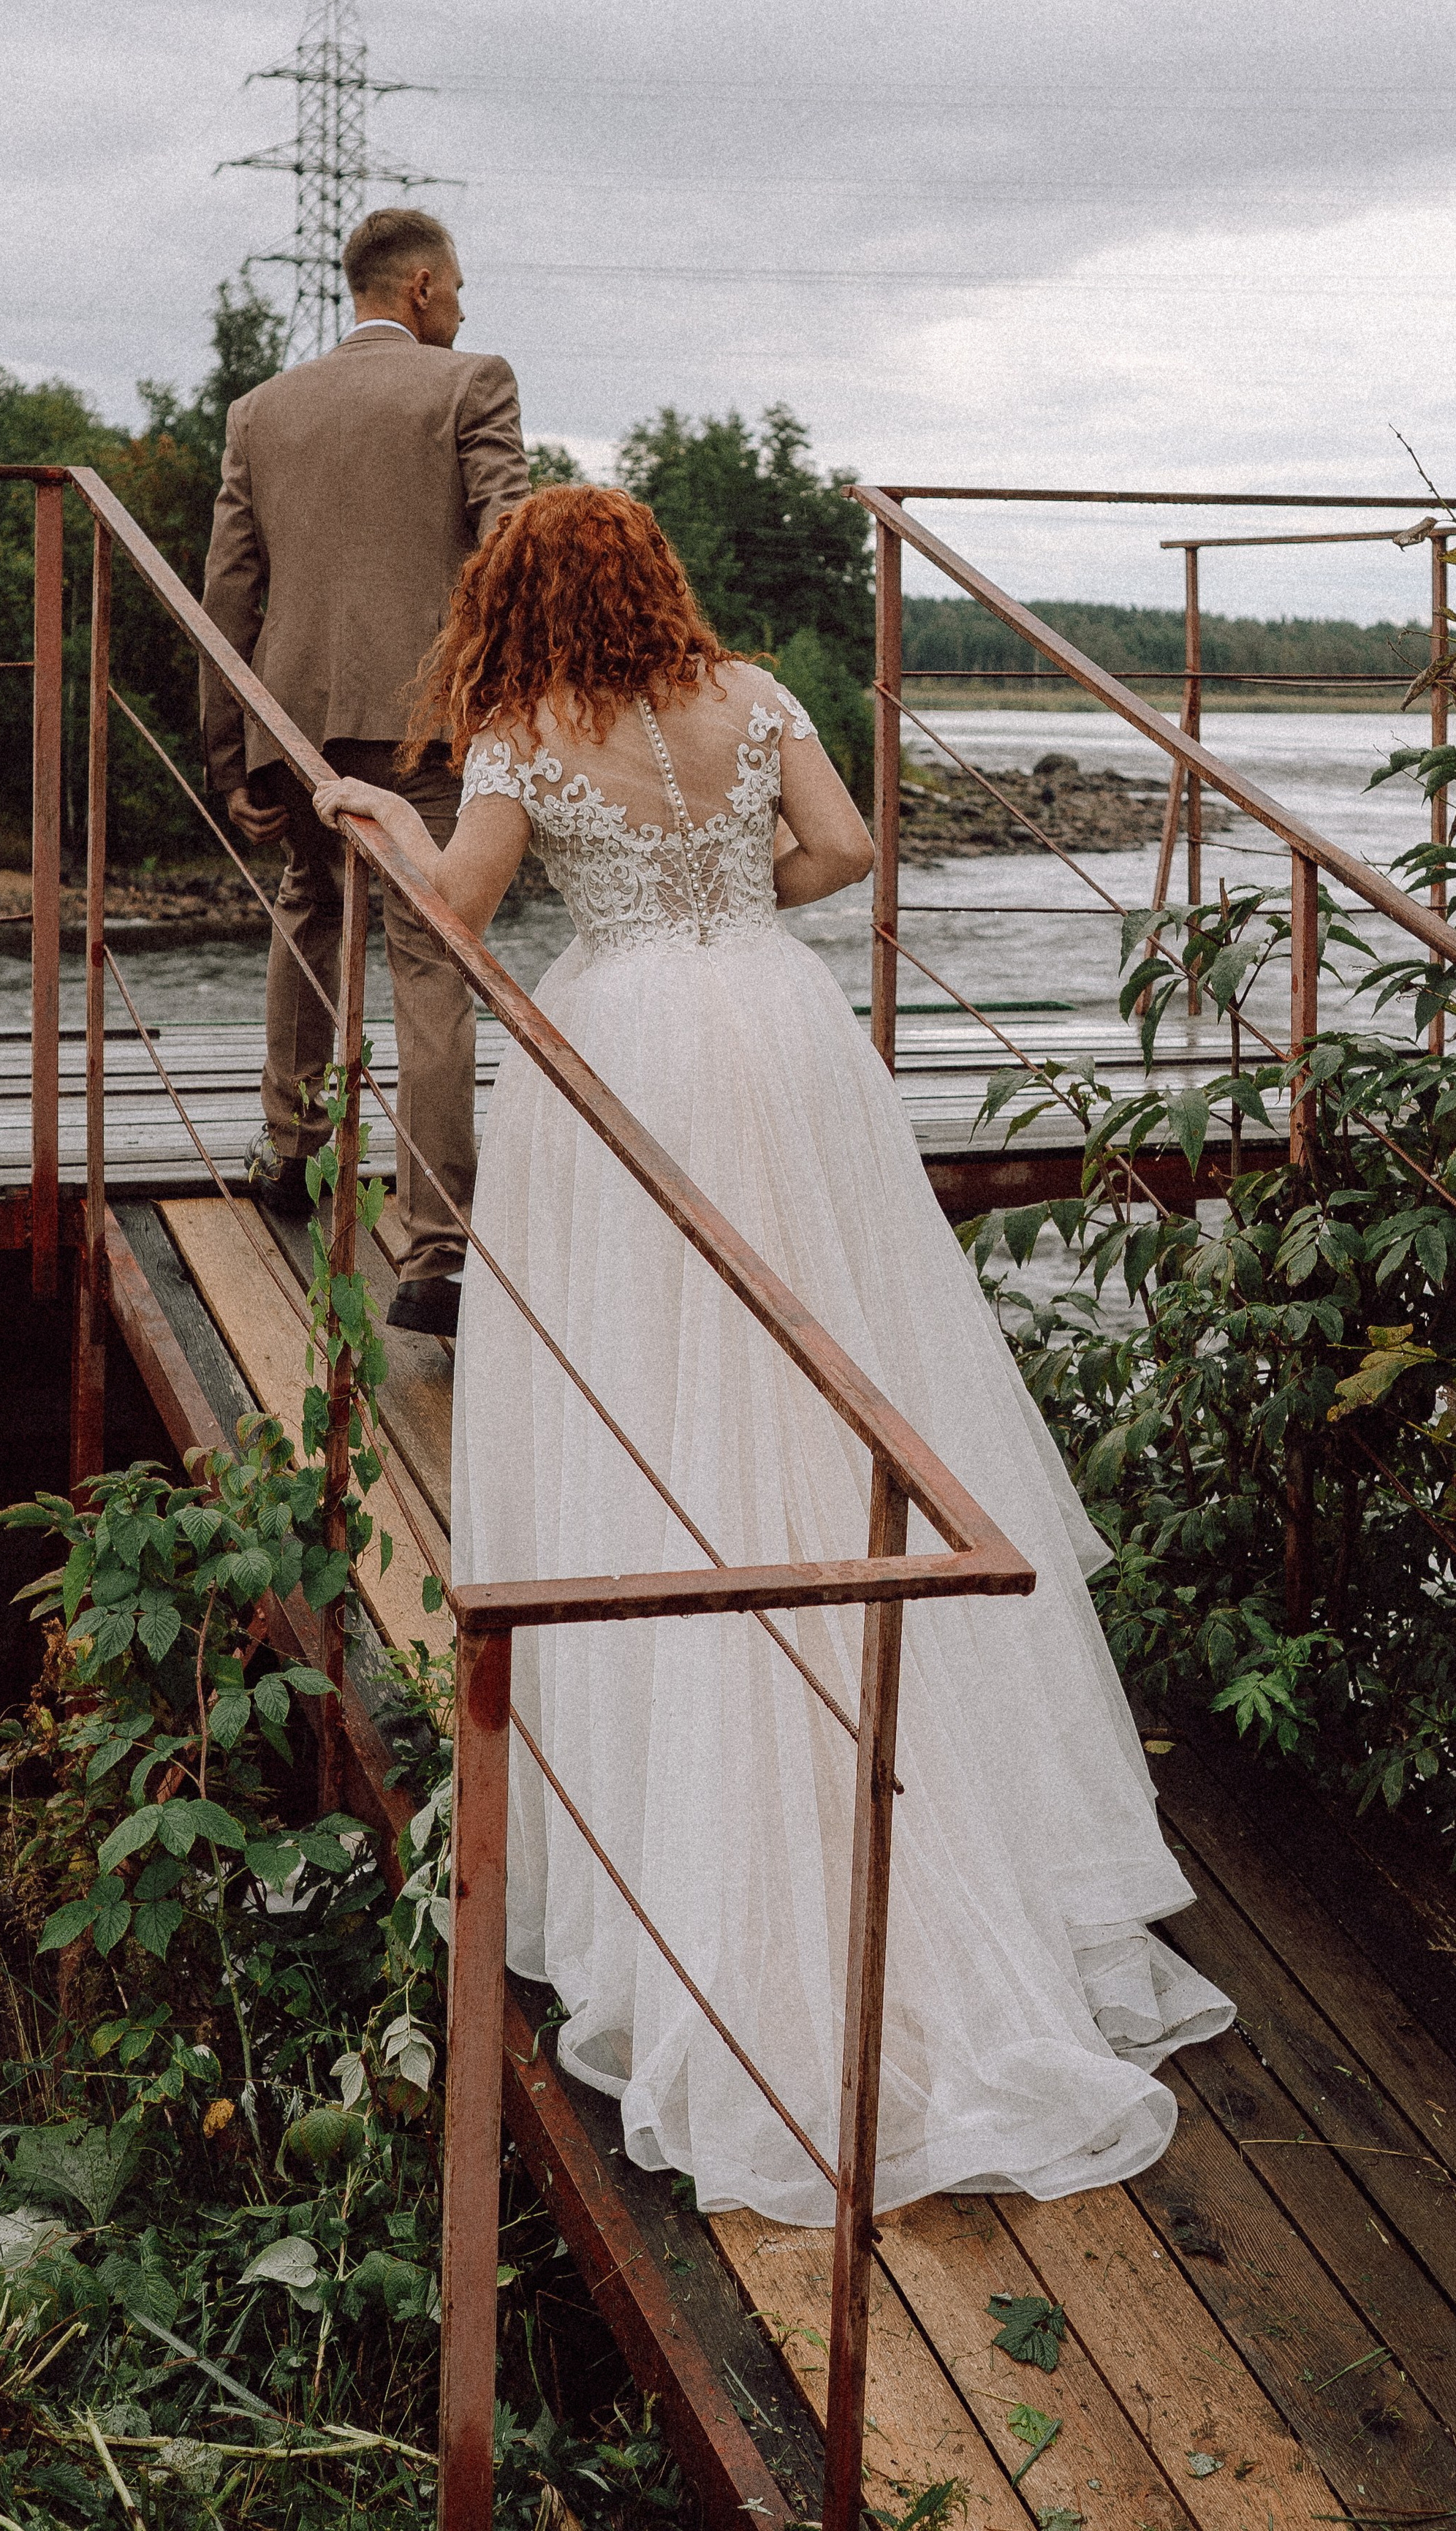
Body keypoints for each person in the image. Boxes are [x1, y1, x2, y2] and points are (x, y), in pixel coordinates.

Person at [313, 485, 1232, 2222]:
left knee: (652, 1366)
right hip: (780, 1026)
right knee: (835, 1342)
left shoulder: (519, 726)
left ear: (515, 600)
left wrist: (376, 820)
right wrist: (742, 896)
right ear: (657, 578)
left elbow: (460, 907)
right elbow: (846, 854)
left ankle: (678, 1766)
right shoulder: (755, 697)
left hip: (630, 1042)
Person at [201, 205, 530, 1335]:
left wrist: (225, 749)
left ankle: (290, 1151)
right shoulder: (470, 382)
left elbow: (228, 590)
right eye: (460, 289)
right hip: (425, 716)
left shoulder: (262, 410)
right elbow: (512, 536)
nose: (465, 310)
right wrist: (521, 688)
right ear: (426, 287)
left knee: (307, 902)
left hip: (290, 720)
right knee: (431, 955)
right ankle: (435, 1253)